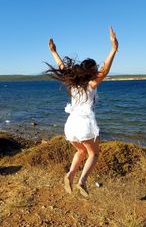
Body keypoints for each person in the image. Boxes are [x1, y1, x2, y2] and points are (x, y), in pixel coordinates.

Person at [47, 27, 118, 197]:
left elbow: (62, 67)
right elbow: (105, 69)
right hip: (85, 124)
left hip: (70, 125)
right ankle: (83, 181)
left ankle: (70, 174)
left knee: (81, 151)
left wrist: (54, 52)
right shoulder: (92, 85)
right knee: (94, 154)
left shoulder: (73, 84)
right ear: (92, 72)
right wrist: (114, 48)